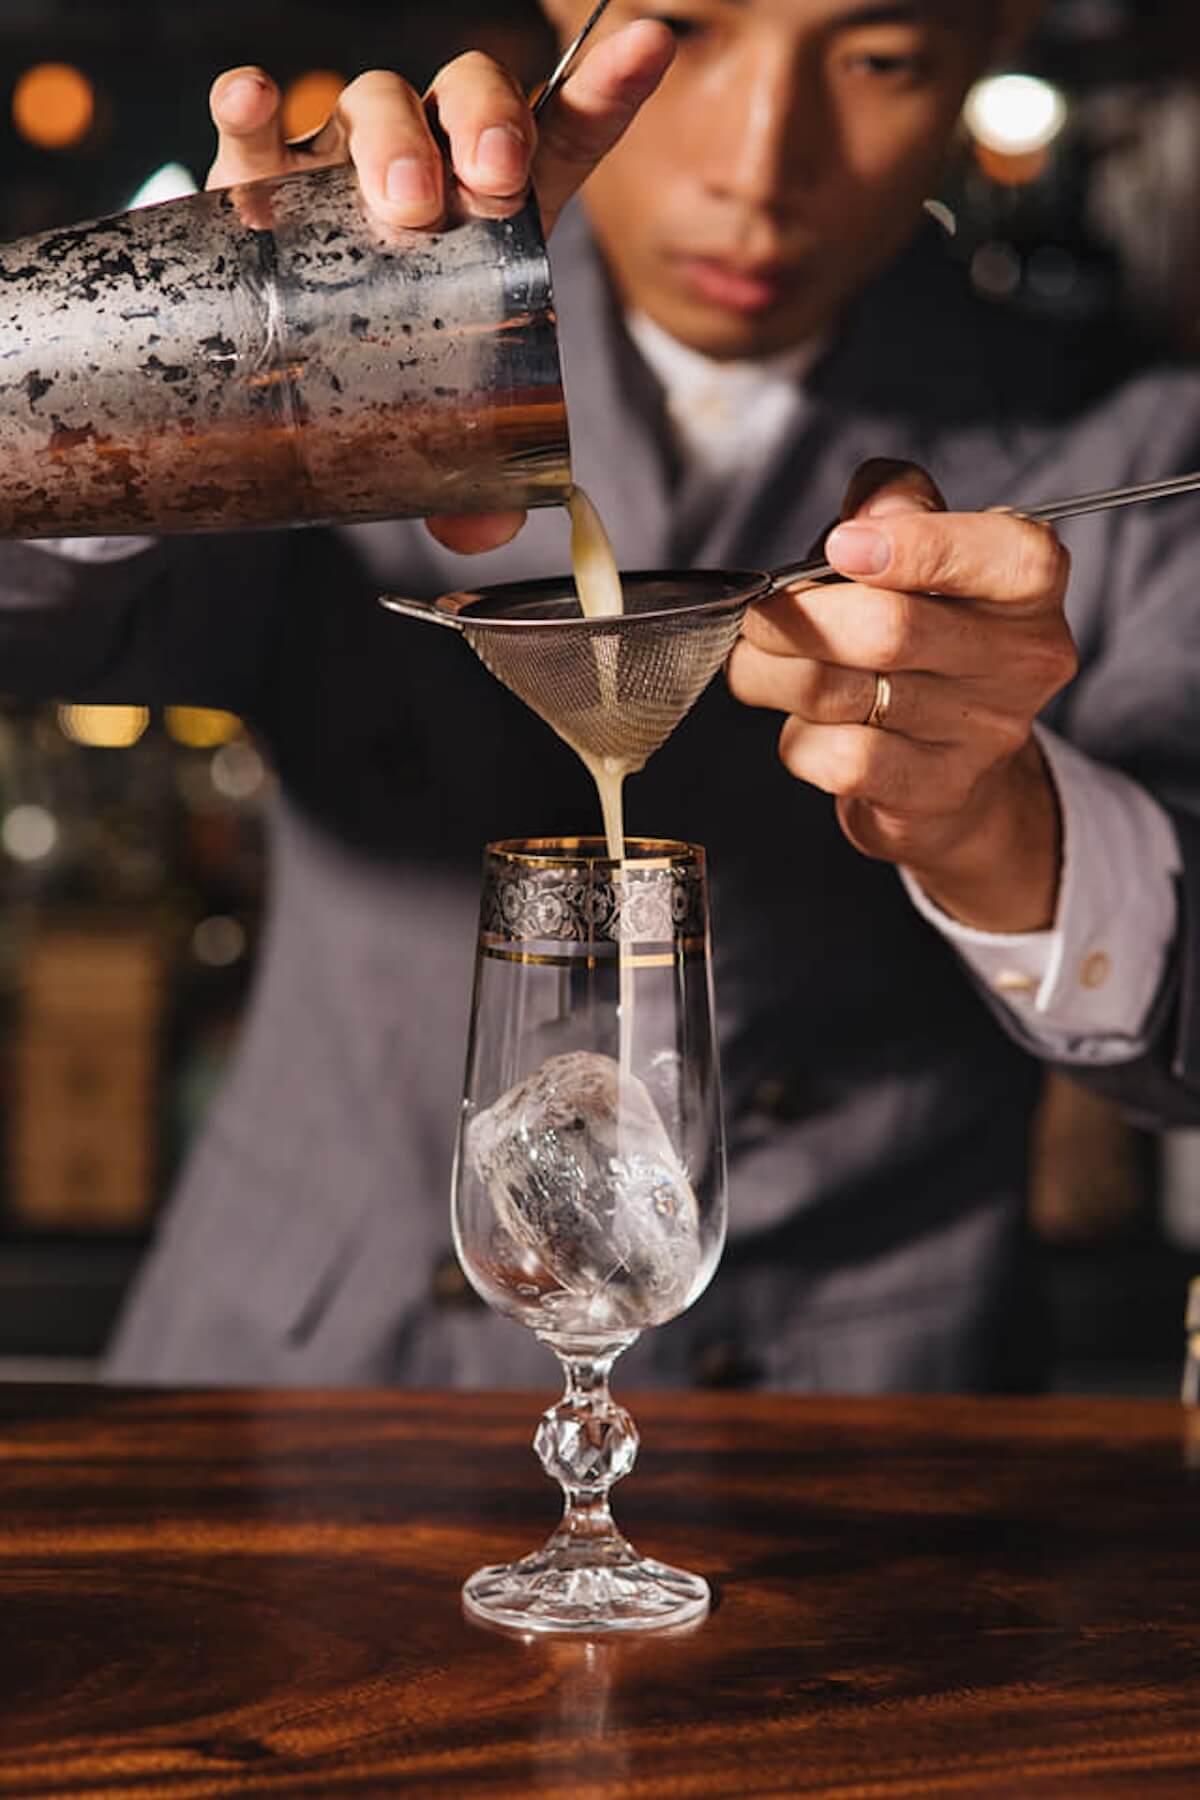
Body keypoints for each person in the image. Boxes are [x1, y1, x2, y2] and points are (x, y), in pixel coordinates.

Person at [4, 0, 1200, 1390]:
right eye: (688, 36)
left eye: (877, 60)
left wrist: (1006, 825)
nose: (759, 166)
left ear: (987, 49)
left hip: (857, 1450)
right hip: (309, 1404)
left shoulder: (1125, 434)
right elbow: (36, 629)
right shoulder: (345, 335)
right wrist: (185, 334)